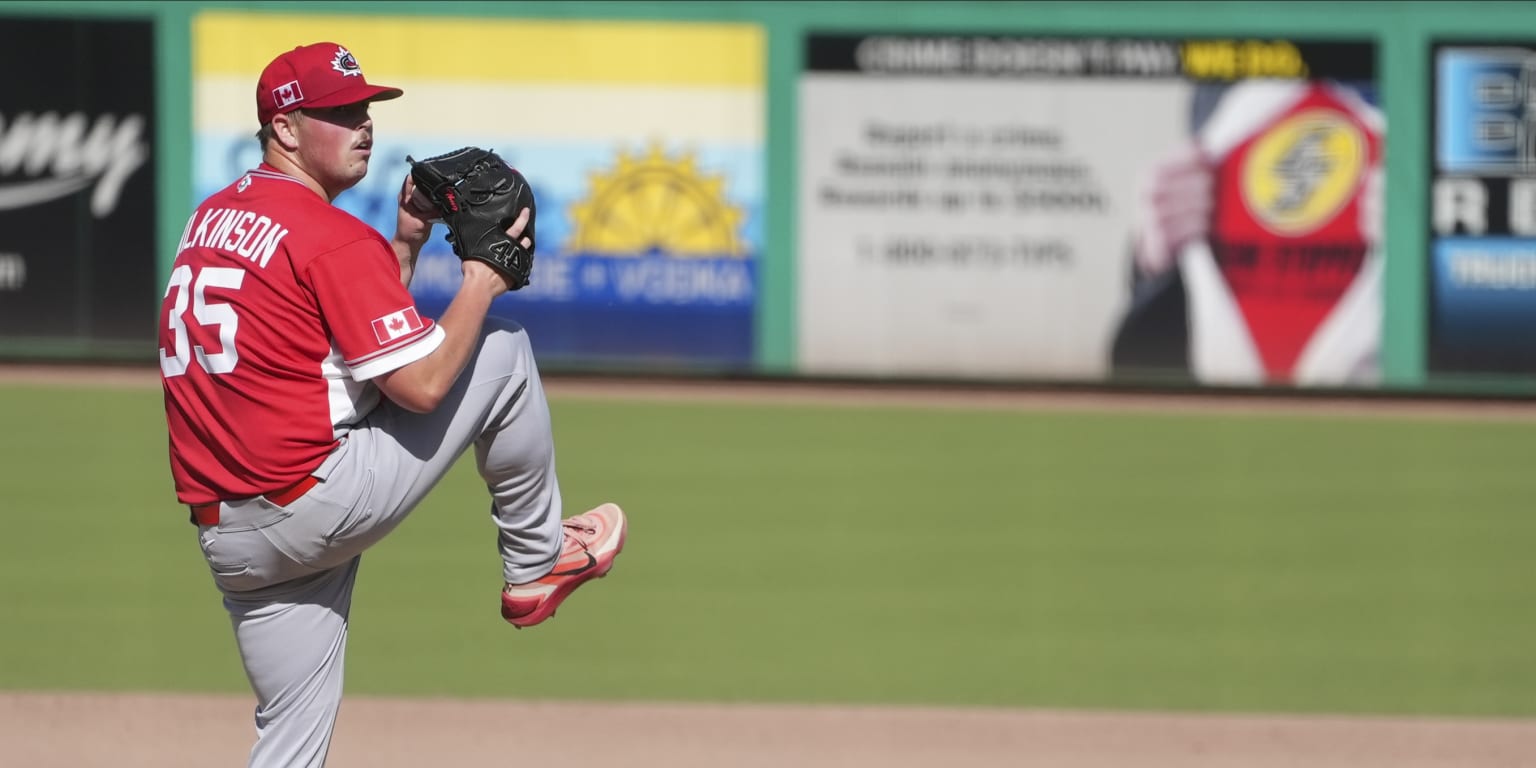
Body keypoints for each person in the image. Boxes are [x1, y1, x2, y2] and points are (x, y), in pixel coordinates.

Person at [156, 42, 628, 768]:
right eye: (341, 111)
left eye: (366, 108)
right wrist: (480, 277)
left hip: (233, 539)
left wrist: (404, 244)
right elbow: (423, 386)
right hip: (311, 501)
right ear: (284, 128)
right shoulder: (330, 237)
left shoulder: (211, 220)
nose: (364, 124)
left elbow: (345, 353)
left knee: (289, 747)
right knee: (498, 347)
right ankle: (538, 561)